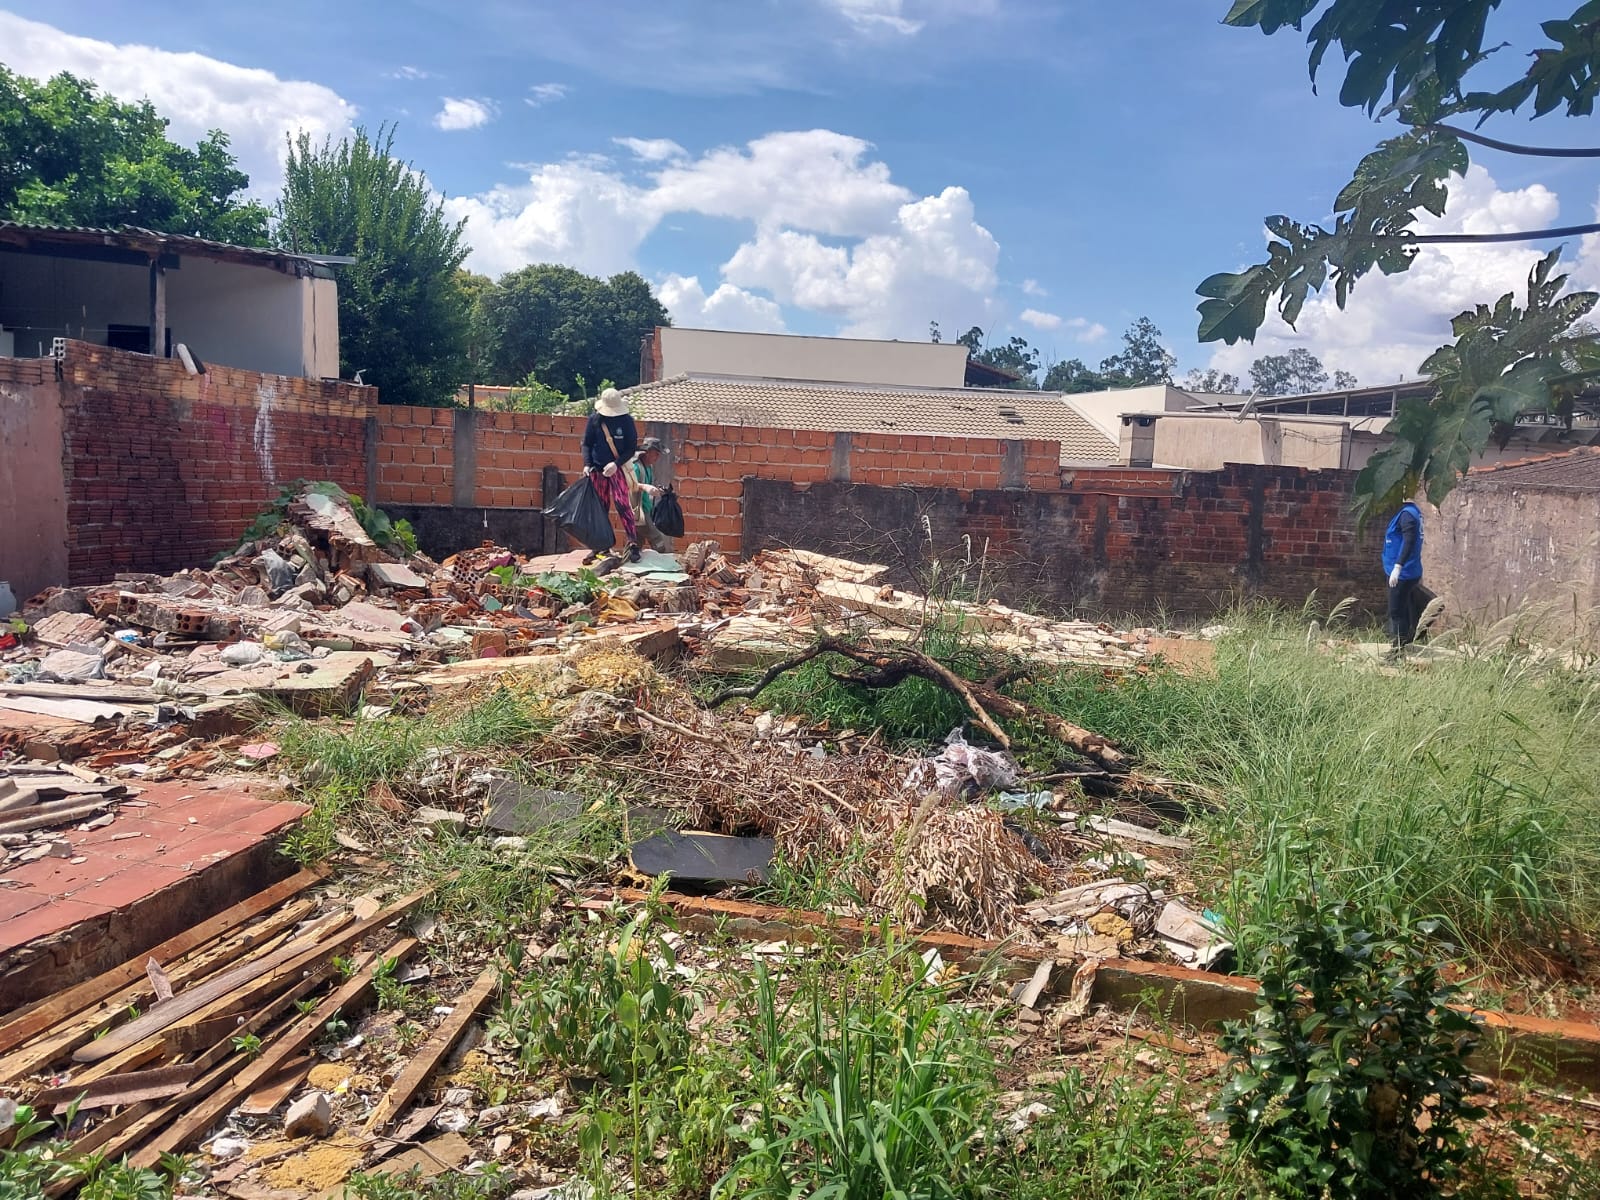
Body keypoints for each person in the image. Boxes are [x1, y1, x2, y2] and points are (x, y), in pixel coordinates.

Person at [581, 388, 640, 564]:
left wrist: (616, 464)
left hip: (618, 469)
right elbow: (587, 444)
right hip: (598, 470)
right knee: (600, 507)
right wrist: (587, 464)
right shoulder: (595, 420)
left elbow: (631, 448)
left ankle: (632, 543)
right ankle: (600, 545)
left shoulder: (626, 421)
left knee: (623, 504)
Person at [1382, 499, 1424, 648]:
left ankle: (1397, 650)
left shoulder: (1407, 515)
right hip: (1408, 570)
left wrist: (1398, 566)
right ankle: (1404, 644)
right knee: (1404, 608)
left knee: (1396, 611)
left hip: (1403, 572)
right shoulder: (1413, 512)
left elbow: (1409, 541)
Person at [628, 437, 673, 554]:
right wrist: (645, 487)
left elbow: (649, 485)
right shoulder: (636, 467)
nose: (657, 457)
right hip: (638, 511)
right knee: (657, 538)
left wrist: (657, 490)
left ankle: (628, 560)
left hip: (646, 509)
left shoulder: (648, 467)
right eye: (656, 454)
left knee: (636, 542)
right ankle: (664, 561)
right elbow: (629, 485)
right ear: (647, 452)